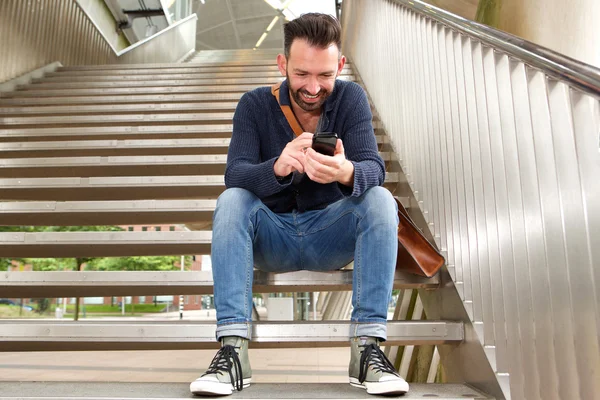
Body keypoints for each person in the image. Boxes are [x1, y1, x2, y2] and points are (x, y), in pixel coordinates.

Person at [190, 12, 408, 397]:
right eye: (302, 74)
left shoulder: (351, 98)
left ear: (340, 65)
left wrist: (344, 171)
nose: (313, 87)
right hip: (271, 236)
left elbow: (374, 168)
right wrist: (277, 167)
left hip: (329, 235)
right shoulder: (254, 105)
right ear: (282, 64)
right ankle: (233, 351)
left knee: (379, 200)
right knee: (231, 201)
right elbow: (235, 174)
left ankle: (368, 350)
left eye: (325, 75)